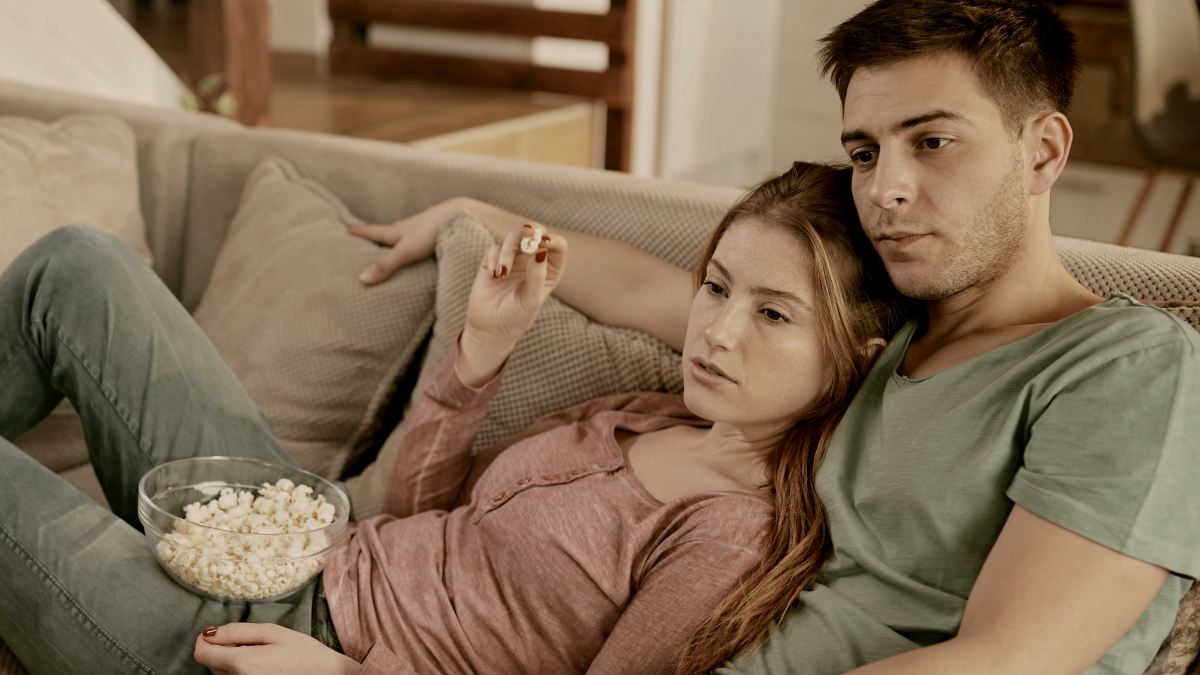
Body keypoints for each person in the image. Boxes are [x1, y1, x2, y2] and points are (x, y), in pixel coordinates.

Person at [356, 2, 1200, 673]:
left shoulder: (1128, 365)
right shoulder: (875, 338)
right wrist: (468, 215)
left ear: (1043, 151)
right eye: (865, 153)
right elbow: (645, 288)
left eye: (933, 141)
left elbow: (1008, 660)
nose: (887, 190)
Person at [0, 162, 904, 674]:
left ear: (855, 362)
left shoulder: (727, 539)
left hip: (277, 646)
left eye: (774, 315)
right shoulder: (658, 410)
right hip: (306, 536)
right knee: (79, 266)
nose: (716, 331)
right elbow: (421, 505)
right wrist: (480, 350)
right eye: (716, 287)